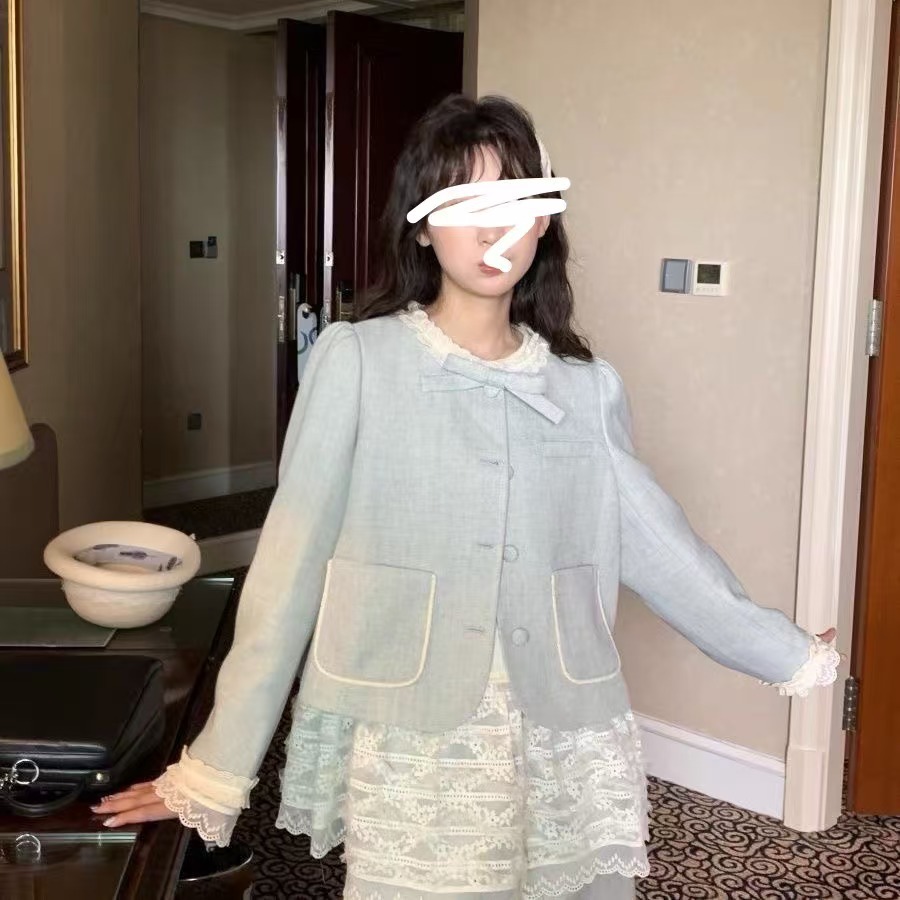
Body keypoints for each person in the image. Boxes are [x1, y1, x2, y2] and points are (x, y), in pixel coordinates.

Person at [92, 94, 840, 900]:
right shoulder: (358, 362)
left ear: (543, 219)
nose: (493, 231)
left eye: (515, 202)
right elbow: (287, 573)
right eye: (463, 204)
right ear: (421, 227)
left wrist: (785, 651)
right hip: (412, 728)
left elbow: (661, 546)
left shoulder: (585, 388)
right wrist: (212, 770)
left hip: (560, 720)